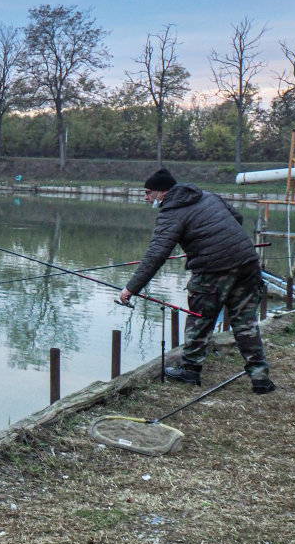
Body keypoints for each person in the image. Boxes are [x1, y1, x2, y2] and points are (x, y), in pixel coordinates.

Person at [117, 167, 275, 393]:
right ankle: (260, 378)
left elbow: (156, 255)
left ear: (163, 193)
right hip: (247, 262)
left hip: (212, 270)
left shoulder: (171, 212)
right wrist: (207, 241)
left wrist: (130, 288)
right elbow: (236, 217)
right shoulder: (207, 195)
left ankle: (190, 370)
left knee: (199, 319)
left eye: (148, 192)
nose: (145, 197)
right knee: (246, 322)